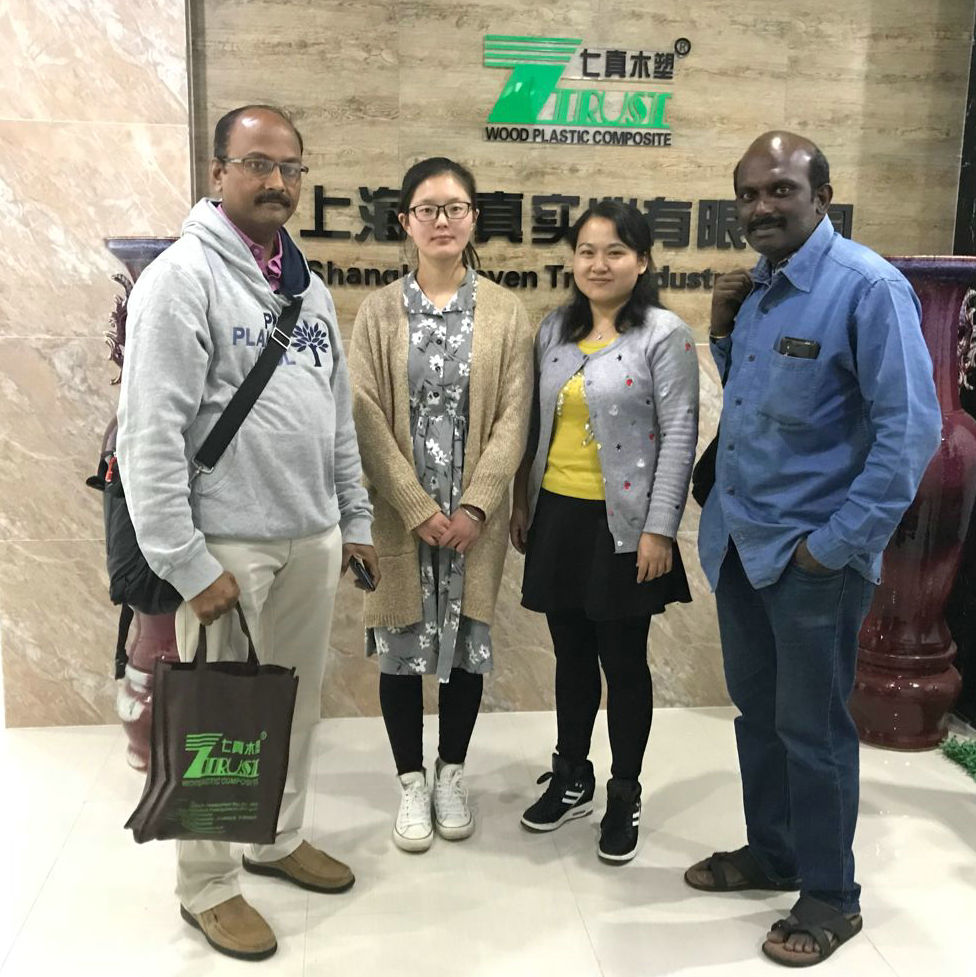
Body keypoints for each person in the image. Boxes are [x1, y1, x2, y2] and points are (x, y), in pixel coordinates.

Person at [116, 104, 378, 962]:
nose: (276, 181)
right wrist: (188, 563)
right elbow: (150, 435)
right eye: (258, 163)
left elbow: (336, 420)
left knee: (291, 707)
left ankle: (275, 837)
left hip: (310, 534)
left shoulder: (309, 290)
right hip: (226, 545)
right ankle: (207, 884)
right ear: (218, 171)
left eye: (290, 167)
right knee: (217, 721)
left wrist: (353, 517)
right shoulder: (180, 279)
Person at [686, 131, 942, 967]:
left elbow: (911, 435)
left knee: (814, 728)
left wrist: (834, 547)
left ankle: (832, 895)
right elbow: (759, 406)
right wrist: (722, 334)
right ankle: (775, 852)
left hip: (811, 561)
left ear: (822, 197)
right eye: (748, 194)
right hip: (740, 545)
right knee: (759, 716)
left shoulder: (868, 288)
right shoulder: (758, 288)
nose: (761, 206)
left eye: (780, 190)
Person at [349, 157, 533, 852]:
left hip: (470, 525)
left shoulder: (507, 313)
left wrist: (478, 506)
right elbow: (364, 413)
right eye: (427, 209)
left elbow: (516, 417)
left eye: (455, 207)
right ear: (405, 221)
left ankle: (451, 774)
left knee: (466, 646)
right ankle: (410, 782)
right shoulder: (377, 312)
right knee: (398, 646)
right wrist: (413, 503)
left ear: (474, 218)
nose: (442, 221)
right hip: (402, 517)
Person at [510, 200, 699, 863]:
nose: (598, 264)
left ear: (642, 261)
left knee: (623, 661)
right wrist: (522, 501)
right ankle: (572, 775)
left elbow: (680, 435)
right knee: (569, 657)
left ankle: (624, 791)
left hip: (625, 527)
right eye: (587, 251)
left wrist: (660, 529)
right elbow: (535, 425)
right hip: (559, 516)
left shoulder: (664, 334)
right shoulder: (554, 330)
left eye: (615, 251)